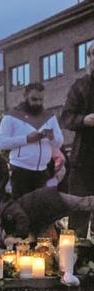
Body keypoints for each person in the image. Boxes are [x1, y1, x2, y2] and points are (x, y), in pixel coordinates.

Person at [0, 83, 62, 199]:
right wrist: (26, 139)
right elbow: (1, 143)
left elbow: (59, 143)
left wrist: (52, 137)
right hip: (20, 170)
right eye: (34, 99)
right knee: (22, 208)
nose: (38, 103)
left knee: (39, 210)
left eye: (41, 100)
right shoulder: (11, 117)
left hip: (43, 170)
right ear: (25, 96)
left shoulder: (50, 117)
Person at [61, 41, 94, 240]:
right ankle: (77, 258)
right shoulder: (80, 86)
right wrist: (84, 120)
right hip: (83, 159)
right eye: (92, 54)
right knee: (79, 208)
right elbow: (66, 118)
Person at [0, 186, 94, 240]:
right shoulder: (9, 212)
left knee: (83, 203)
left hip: (50, 201)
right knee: (81, 203)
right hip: (49, 204)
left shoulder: (9, 212)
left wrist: (19, 235)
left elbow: (23, 219)